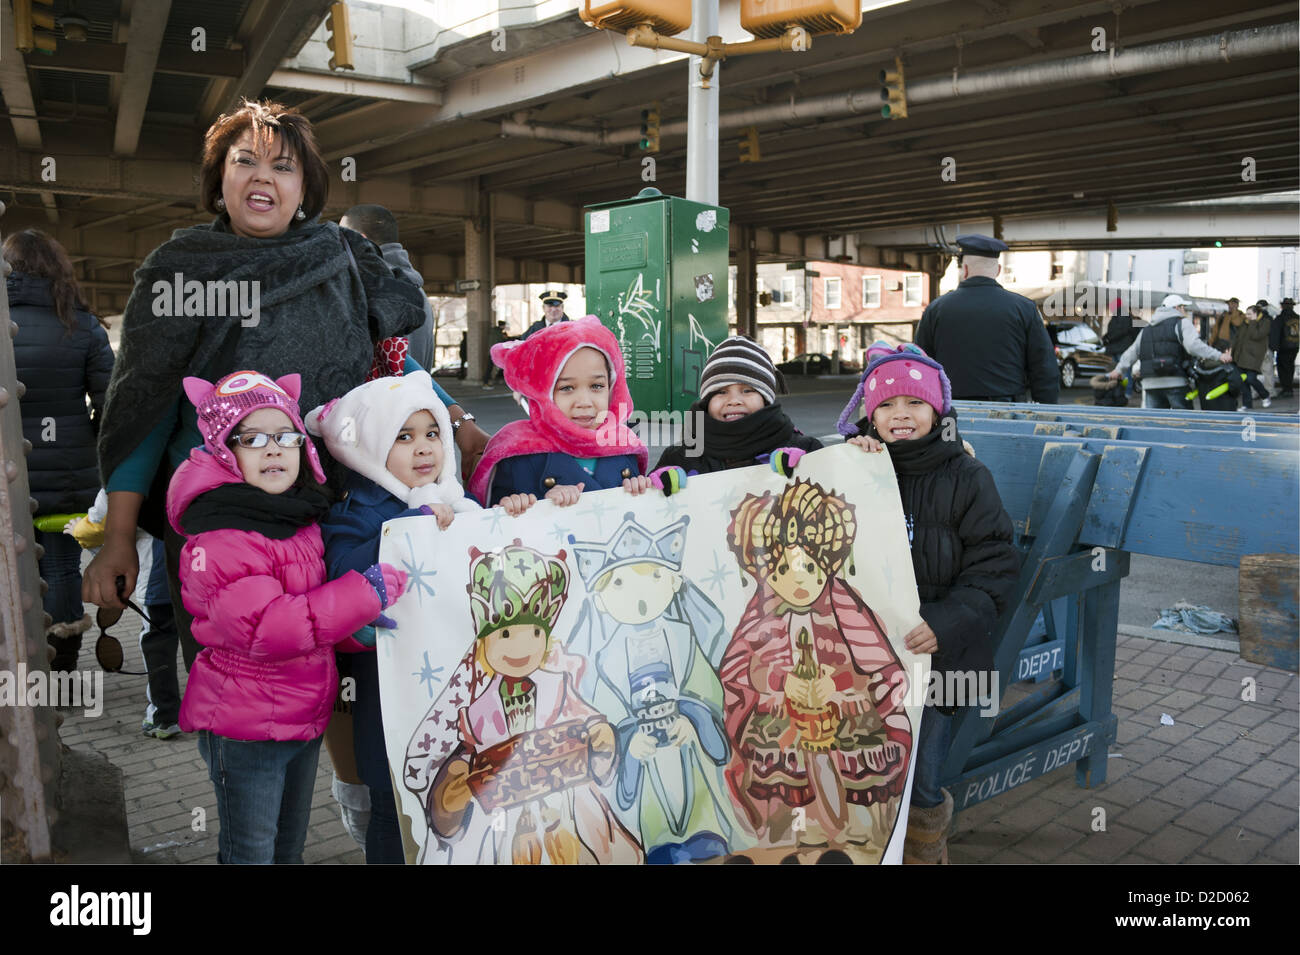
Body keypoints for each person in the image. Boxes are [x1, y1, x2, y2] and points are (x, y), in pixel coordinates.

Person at [83, 99, 427, 670]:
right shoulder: (181, 271)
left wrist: (457, 422)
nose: (263, 176)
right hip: (220, 530)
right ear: (221, 181)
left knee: (337, 679)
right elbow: (142, 408)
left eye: (283, 166)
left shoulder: (342, 258)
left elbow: (382, 367)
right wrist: (119, 535)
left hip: (328, 512)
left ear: (304, 191)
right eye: (245, 161)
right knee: (238, 692)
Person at [167, 370, 408, 864]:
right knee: (251, 853)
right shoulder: (223, 533)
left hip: (299, 714)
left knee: (287, 849)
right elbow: (268, 628)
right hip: (245, 727)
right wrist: (365, 593)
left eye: (286, 437)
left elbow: (314, 609)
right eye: (252, 438)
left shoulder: (293, 518)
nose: (273, 449)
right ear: (223, 450)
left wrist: (353, 628)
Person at [838, 342, 1020, 863]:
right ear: (869, 414)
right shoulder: (851, 468)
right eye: (887, 405)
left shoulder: (966, 476)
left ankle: (924, 847)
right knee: (861, 760)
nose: (900, 416)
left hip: (936, 657)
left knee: (919, 772)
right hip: (863, 657)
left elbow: (996, 563)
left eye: (915, 404)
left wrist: (946, 621)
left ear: (938, 411)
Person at [308, 371, 481, 864]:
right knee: (396, 806)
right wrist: (414, 527)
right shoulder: (354, 512)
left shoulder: (462, 504)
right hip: (385, 696)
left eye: (432, 434)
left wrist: (512, 513)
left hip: (456, 695)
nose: (423, 448)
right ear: (368, 447)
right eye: (402, 436)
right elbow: (343, 574)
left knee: (462, 803)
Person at [5, 229, 115, 673]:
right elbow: (111, 405)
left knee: (9, 568)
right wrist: (83, 439)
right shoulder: (82, 324)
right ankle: (64, 671)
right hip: (69, 474)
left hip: (7, 473)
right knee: (63, 566)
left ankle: (17, 667)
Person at [469, 316, 653, 509]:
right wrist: (526, 504)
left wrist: (640, 488)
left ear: (613, 387)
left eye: (597, 386)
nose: (584, 402)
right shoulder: (517, 458)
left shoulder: (625, 446)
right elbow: (494, 523)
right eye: (566, 388)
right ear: (541, 392)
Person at [914, 234, 1058, 404]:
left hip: (951, 409)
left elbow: (920, 364)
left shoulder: (935, 309)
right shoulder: (1024, 308)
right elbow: (1044, 367)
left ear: (964, 269)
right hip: (1008, 410)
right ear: (998, 270)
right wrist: (1046, 410)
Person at [653, 335, 822, 477]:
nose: (734, 400)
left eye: (747, 390)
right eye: (721, 392)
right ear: (707, 402)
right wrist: (657, 488)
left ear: (766, 399)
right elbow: (647, 508)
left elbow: (839, 498)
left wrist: (810, 468)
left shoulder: (804, 449)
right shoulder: (678, 458)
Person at [1108, 294, 1230, 409]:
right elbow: (1194, 346)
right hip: (1175, 381)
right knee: (1182, 423)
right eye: (1183, 307)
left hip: (1150, 384)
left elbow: (1132, 351)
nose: (1184, 311)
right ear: (1176, 308)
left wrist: (1118, 370)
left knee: (1156, 423)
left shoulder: (1148, 328)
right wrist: (1219, 356)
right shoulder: (1181, 323)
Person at [1234, 303, 1273, 411]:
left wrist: (1253, 322)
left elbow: (1256, 335)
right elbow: (1238, 339)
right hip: (1241, 356)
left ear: (1256, 314)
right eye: (1246, 314)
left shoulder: (1265, 322)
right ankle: (1247, 404)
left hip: (1255, 357)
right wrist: (1233, 353)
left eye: (1249, 314)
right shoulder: (1244, 323)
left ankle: (1265, 395)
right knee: (1243, 381)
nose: (1247, 316)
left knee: (1251, 378)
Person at [1272, 297, 1298, 398]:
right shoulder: (1298, 318)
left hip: (1283, 348)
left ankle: (1287, 389)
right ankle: (1288, 388)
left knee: (1283, 369)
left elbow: (1275, 333)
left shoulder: (1280, 318)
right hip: (1295, 347)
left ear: (1282, 306)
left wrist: (1274, 347)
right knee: (1290, 368)